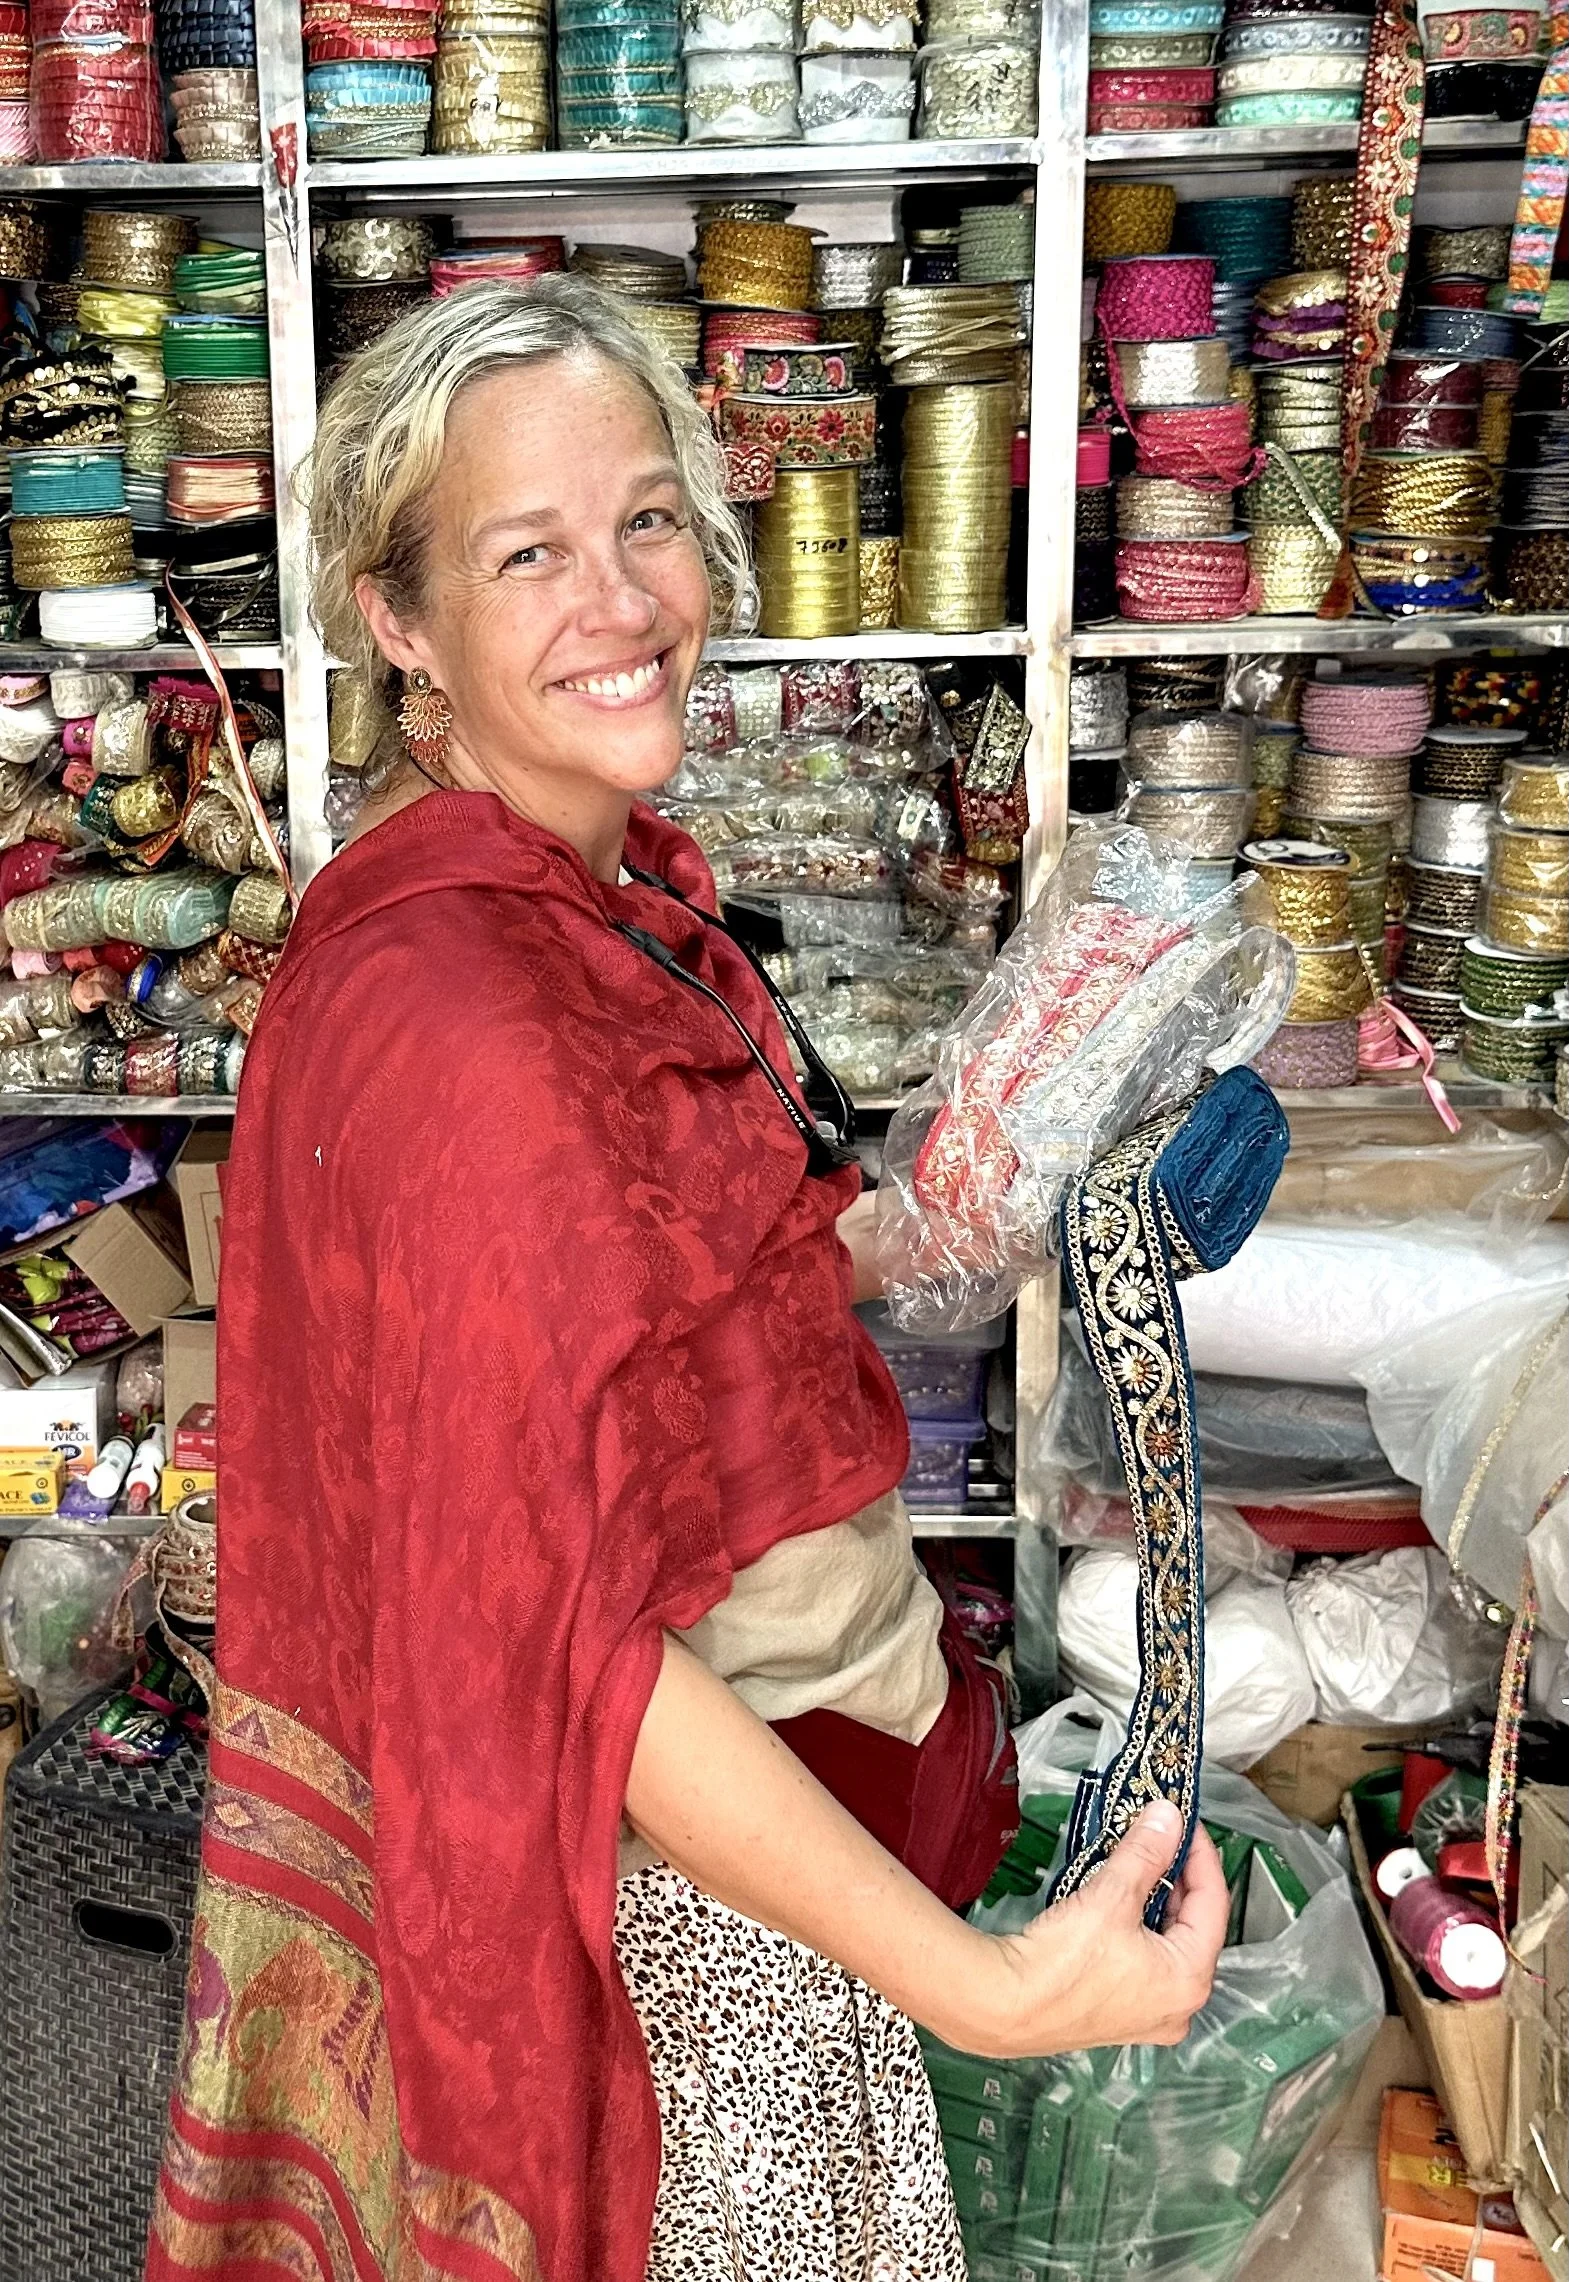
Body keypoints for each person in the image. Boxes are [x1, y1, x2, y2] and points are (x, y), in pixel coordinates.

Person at [146, 277, 1227, 2282]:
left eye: (647, 521)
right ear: (401, 622)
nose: (621, 599)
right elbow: (574, 1650)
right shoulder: (469, 1023)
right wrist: (986, 1990)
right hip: (675, 1960)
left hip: (772, 1890)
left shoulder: (606, 894)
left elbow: (636, 1325)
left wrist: (944, 1207)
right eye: (526, 551)